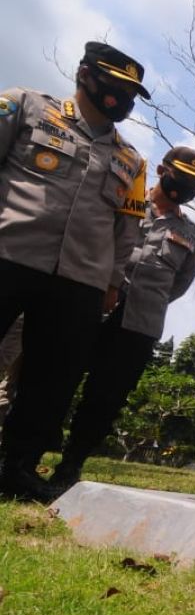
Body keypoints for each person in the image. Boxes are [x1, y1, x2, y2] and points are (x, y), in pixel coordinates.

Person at [0, 42, 149, 501]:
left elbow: (127, 231)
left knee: (53, 379)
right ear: (85, 74)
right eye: (115, 86)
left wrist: (111, 283)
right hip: (11, 254)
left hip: (80, 281)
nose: (120, 99)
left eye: (130, 93)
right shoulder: (24, 105)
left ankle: (19, 468)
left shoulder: (132, 160)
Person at [48, 147, 195, 491]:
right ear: (163, 170)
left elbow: (179, 285)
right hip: (90, 301)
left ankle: (71, 465)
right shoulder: (124, 199)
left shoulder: (193, 235)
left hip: (139, 324)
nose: (187, 187)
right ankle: (22, 457)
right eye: (182, 177)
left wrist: (143, 297)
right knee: (55, 377)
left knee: (106, 397)